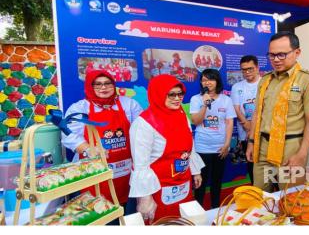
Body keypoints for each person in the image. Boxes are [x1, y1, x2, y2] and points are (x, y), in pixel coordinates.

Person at [245, 31, 309, 192]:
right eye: (272, 55)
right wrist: (251, 142)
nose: (276, 60)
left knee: (290, 199)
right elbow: (257, 114)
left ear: (297, 52)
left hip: (291, 149)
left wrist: (302, 154)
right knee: (259, 197)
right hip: (262, 147)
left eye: (282, 54)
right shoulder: (265, 80)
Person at [62, 70, 143, 210]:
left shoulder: (129, 104)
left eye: (107, 83)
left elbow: (142, 130)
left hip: (126, 170)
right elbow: (68, 135)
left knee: (127, 210)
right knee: (98, 210)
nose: (103, 88)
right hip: (93, 169)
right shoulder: (80, 108)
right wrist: (88, 149)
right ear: (89, 86)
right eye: (97, 84)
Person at [128, 75, 204, 223]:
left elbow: (190, 148)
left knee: (183, 221)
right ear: (159, 94)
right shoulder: (143, 123)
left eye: (180, 94)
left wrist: (195, 171)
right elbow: (140, 164)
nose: (177, 98)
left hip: (183, 183)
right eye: (171, 94)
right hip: (158, 188)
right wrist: (145, 198)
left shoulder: (182, 115)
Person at [190, 69, 236, 209]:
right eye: (204, 80)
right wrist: (205, 104)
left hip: (220, 148)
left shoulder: (226, 100)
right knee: (200, 183)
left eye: (210, 79)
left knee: (217, 181)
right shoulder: (196, 99)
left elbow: (229, 123)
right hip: (202, 148)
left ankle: (216, 208)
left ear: (217, 81)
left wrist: (227, 144)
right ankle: (198, 210)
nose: (207, 82)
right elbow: (196, 121)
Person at [231, 55, 261, 183]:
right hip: (245, 134)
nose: (247, 72)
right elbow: (236, 109)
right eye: (244, 70)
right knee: (251, 165)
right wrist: (247, 125)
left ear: (257, 68)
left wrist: (254, 128)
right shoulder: (237, 87)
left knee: (267, 169)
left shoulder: (265, 83)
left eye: (250, 69)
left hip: (263, 133)